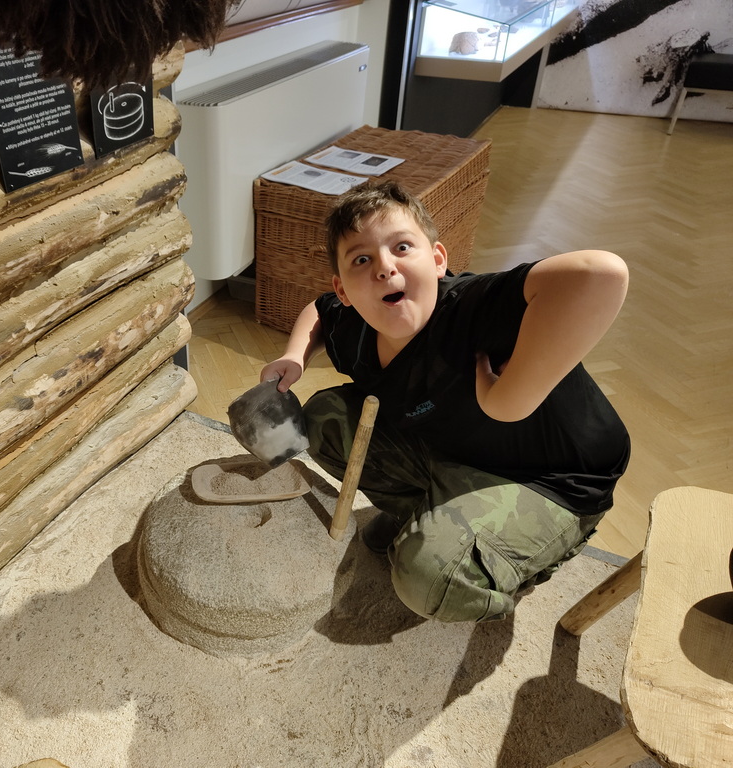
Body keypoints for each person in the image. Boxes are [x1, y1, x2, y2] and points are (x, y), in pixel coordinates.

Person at [260, 180, 630, 622]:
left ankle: (514, 564)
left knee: (427, 578)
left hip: (552, 480)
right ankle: (428, 514)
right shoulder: (354, 327)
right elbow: (320, 311)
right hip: (457, 451)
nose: (384, 268)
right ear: (345, 291)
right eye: (362, 259)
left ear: (438, 260)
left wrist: (506, 402)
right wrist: (294, 356)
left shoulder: (470, 308)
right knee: (324, 419)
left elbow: (601, 273)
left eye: (401, 247)